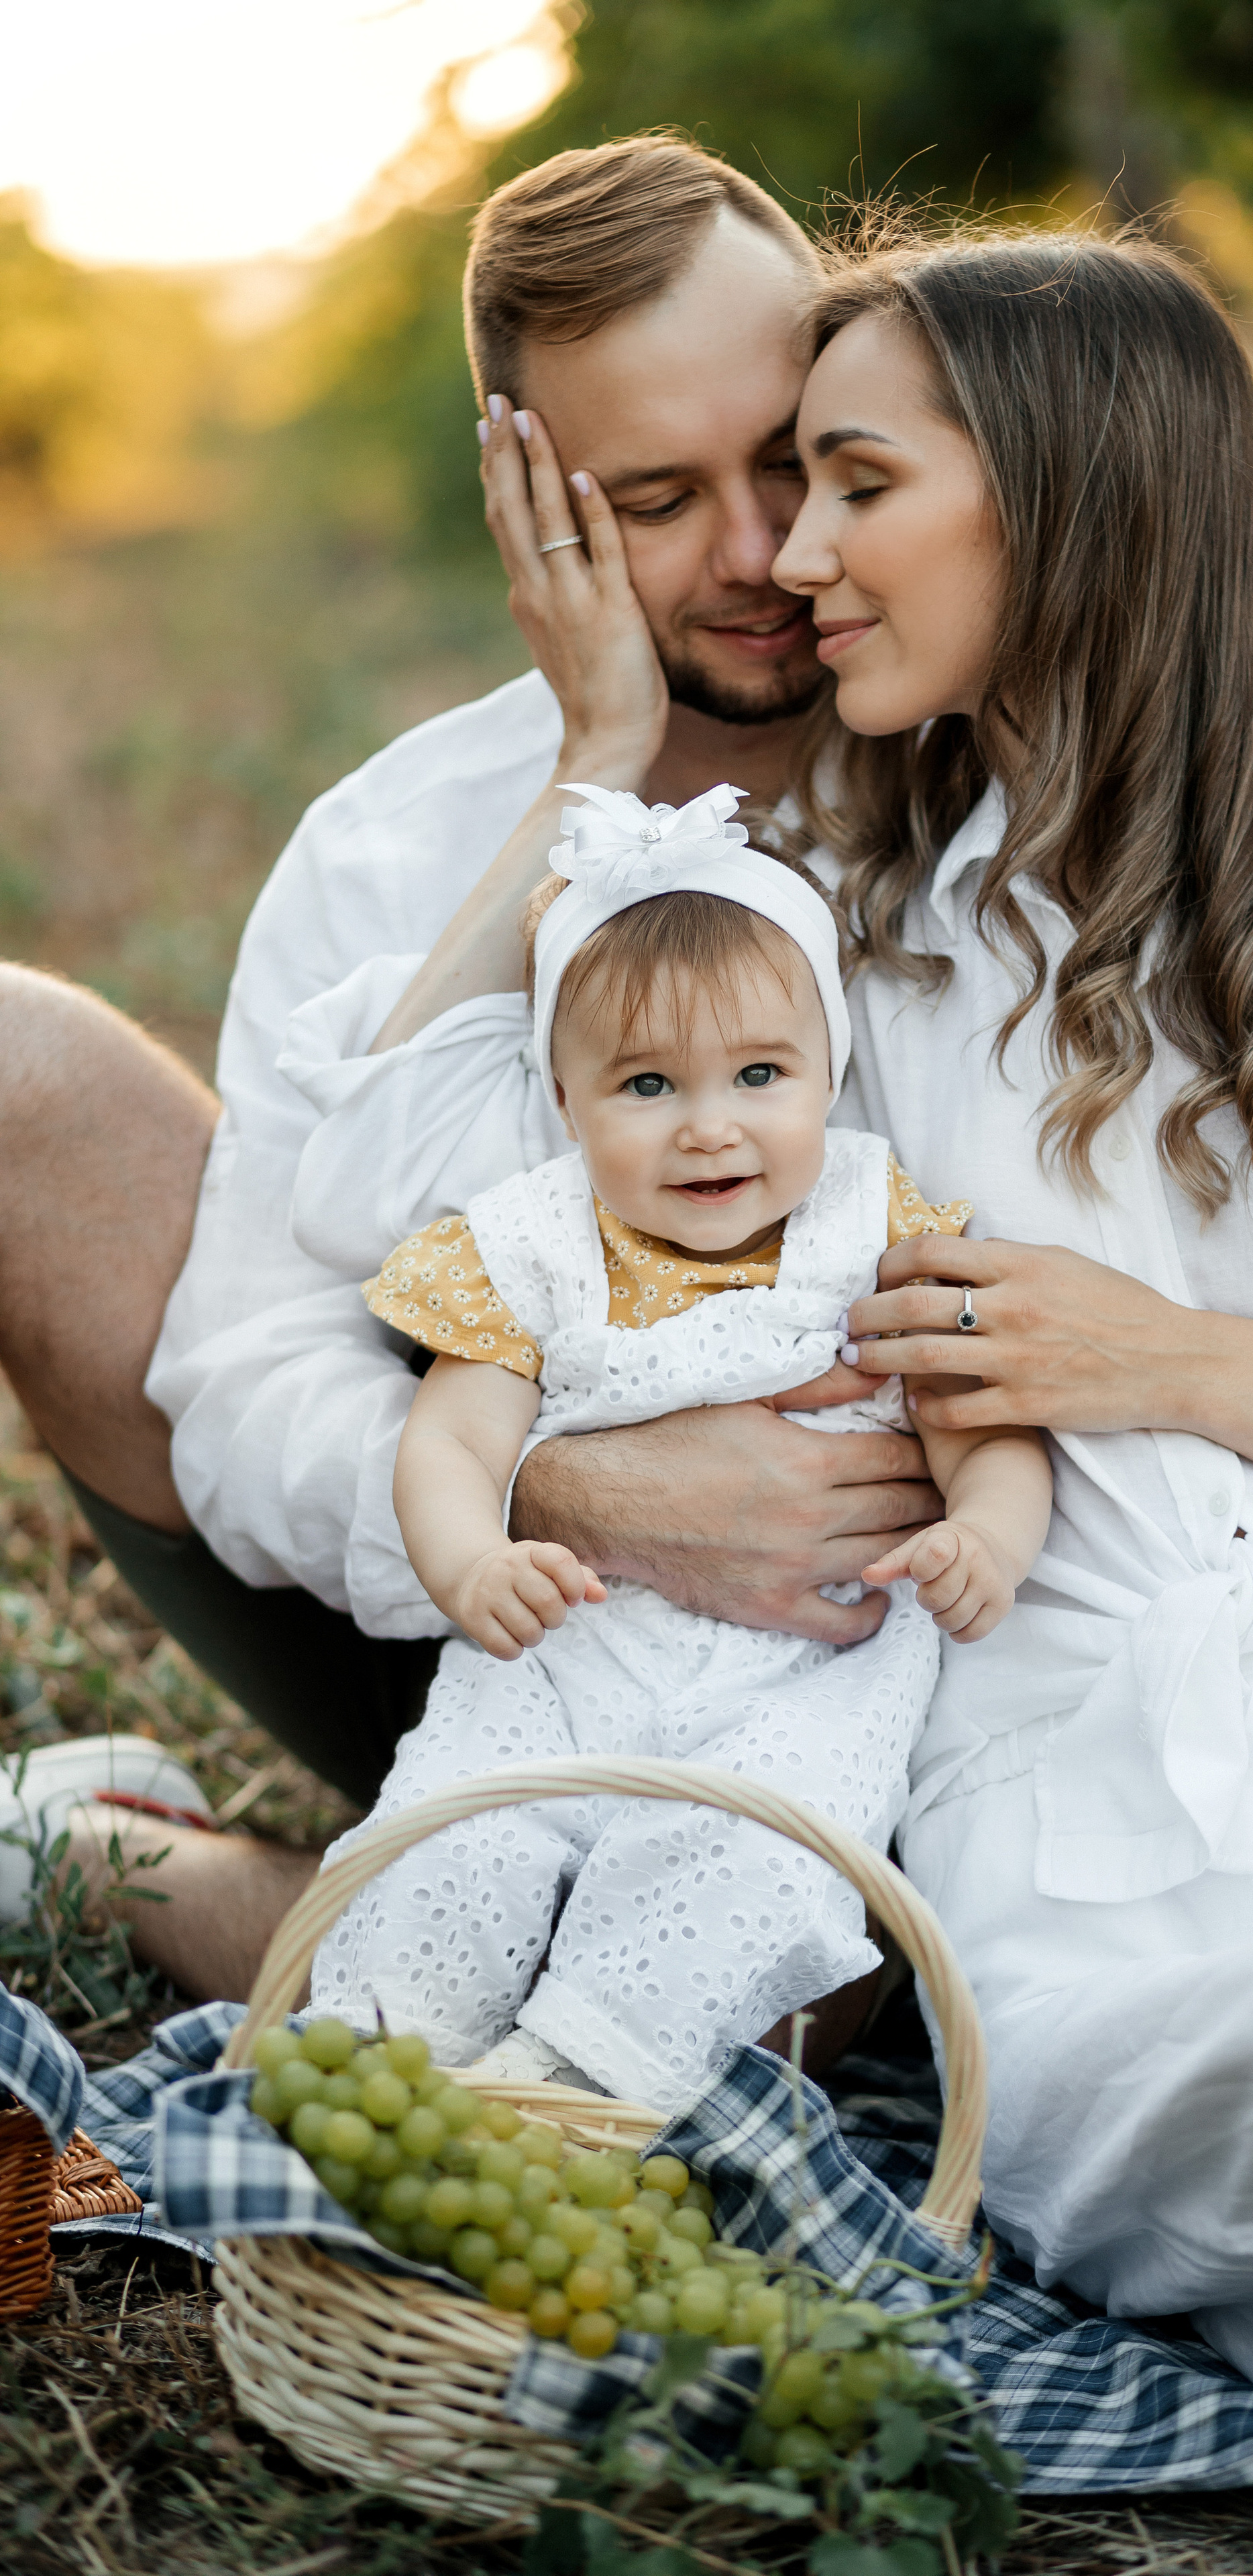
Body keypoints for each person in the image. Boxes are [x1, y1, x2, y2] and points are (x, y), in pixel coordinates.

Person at [307, 215, 1253, 2536]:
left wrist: (1191, 1370)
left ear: (1072, 501)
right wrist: (599, 750)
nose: (793, 557)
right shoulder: (836, 963)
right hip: (1110, 1877)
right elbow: (383, 1188)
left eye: (857, 483)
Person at [14, 138, 945, 1996]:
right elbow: (251, 1386)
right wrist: (571, 1492)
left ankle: (268, 1897)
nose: (757, 553)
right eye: (656, 499)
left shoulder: (1005, 768)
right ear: (530, 505)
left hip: (916, 1656)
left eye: (789, 459)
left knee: (773, 1994)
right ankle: (117, 1862)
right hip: (515, 1630)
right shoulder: (398, 843)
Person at [300, 788, 1048, 2099]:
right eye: (647, 1084)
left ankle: (578, 2086)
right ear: (566, 1097)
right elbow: (453, 1443)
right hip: (565, 1655)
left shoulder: (875, 1227)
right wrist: (473, 1561)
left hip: (802, 1684)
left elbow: (978, 1419)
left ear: (827, 1072)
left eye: (760, 1076)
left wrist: (987, 1530)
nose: (709, 1124)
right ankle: (382, 2053)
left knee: (757, 1861)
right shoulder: (527, 1243)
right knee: (458, 1833)